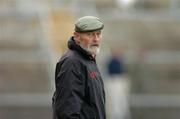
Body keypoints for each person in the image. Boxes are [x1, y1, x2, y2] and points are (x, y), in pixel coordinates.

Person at [52, 16, 106, 119]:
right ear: (77, 37)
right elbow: (68, 111)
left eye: (98, 34)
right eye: (89, 34)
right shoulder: (72, 62)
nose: (95, 39)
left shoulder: (88, 60)